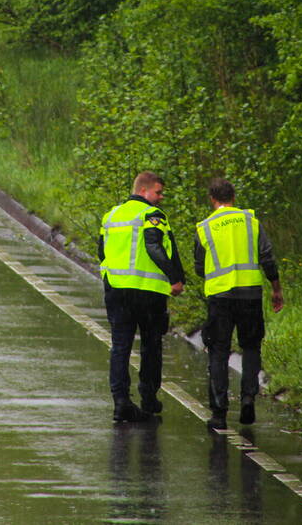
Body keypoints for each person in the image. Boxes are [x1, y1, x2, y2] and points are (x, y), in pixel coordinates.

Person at [194, 177, 282, 429]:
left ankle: (219, 412)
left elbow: (200, 267)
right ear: (233, 197)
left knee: (218, 351)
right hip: (250, 294)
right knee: (251, 347)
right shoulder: (251, 222)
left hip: (219, 297)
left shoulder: (204, 227)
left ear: (212, 199)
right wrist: (276, 288)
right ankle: (248, 398)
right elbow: (267, 257)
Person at [98, 171, 185, 422]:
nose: (161, 197)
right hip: (148, 293)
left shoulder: (111, 215)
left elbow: (102, 251)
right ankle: (148, 399)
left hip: (116, 289)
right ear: (143, 190)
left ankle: (121, 402)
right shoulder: (152, 215)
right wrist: (175, 278)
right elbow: (154, 246)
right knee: (151, 346)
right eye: (158, 192)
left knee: (120, 346)